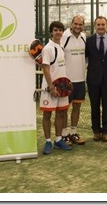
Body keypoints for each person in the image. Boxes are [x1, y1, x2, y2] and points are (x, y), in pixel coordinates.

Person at [40, 21, 73, 154]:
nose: (58, 32)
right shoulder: (47, 49)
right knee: (47, 115)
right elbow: (46, 70)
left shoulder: (61, 47)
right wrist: (52, 87)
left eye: (60, 30)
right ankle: (48, 141)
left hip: (62, 89)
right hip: (50, 89)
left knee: (61, 113)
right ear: (51, 32)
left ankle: (58, 140)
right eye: (55, 30)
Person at [85, 16, 107, 142]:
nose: (101, 27)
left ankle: (106, 131)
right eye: (98, 25)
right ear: (95, 26)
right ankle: (96, 131)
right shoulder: (88, 40)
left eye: (103, 24)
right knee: (94, 106)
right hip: (93, 79)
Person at [60, 15, 87, 146]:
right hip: (66, 81)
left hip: (81, 79)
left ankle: (73, 133)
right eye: (75, 24)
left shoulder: (84, 37)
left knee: (77, 107)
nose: (78, 26)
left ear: (83, 25)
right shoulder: (63, 37)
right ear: (71, 24)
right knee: (64, 109)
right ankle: (64, 135)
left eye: (80, 24)